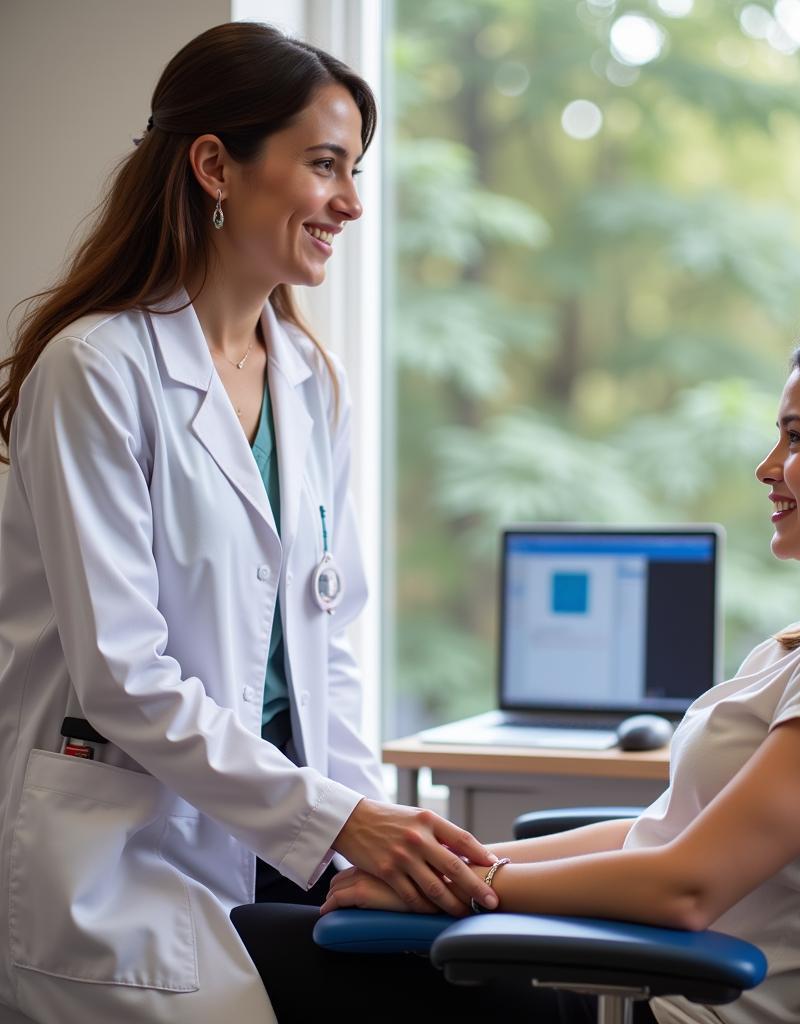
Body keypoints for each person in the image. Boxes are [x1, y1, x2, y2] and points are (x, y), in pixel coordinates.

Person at [232, 312, 800, 1024]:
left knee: (243, 947)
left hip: (671, 1006)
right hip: (648, 976)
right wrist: (460, 863)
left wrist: (461, 890)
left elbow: (685, 886)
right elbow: (667, 837)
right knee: (276, 932)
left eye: (796, 436)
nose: (767, 465)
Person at [0, 22, 503, 1024]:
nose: (352, 203)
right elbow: (124, 678)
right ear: (215, 166)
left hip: (283, 844)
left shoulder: (310, 380)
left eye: (355, 170)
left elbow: (332, 644)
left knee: (480, 980)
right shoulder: (97, 372)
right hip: (123, 861)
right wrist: (341, 821)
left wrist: (369, 838)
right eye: (325, 166)